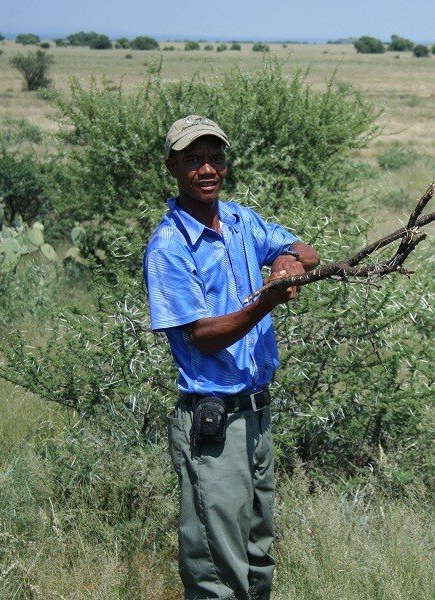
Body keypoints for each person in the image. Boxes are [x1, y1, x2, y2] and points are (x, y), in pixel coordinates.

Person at [143, 115, 320, 599]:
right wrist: (266, 300)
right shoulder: (169, 247)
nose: (206, 169)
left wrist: (286, 260)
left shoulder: (242, 221)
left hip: (257, 415)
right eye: (193, 159)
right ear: (172, 167)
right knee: (218, 570)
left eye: (215, 158)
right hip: (214, 425)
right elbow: (201, 336)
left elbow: (308, 251)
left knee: (258, 554)